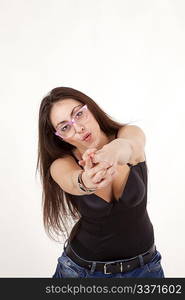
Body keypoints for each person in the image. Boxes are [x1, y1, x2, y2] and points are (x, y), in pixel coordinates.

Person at [36, 86, 165, 278]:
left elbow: (130, 145)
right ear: (59, 137)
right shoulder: (61, 164)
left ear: (91, 109)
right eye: (65, 127)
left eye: (79, 114)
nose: (78, 128)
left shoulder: (129, 133)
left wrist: (110, 153)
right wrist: (87, 180)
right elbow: (73, 181)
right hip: (82, 272)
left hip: (145, 269)